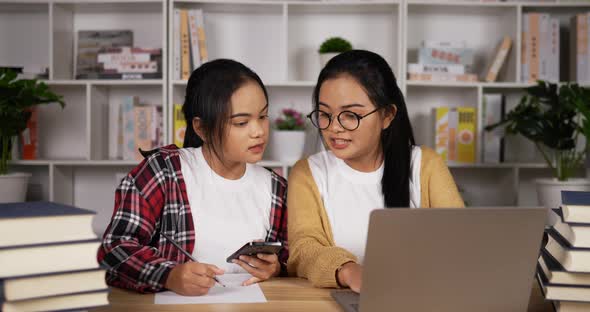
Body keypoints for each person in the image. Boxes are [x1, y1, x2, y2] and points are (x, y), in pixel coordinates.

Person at [97, 59, 288, 295]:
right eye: (241, 122)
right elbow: (114, 249)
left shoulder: (276, 188)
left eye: (263, 116)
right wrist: (168, 275)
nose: (258, 131)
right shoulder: (163, 172)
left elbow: (293, 258)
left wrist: (276, 268)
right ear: (201, 128)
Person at [287, 50, 464, 293]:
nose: (335, 128)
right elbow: (303, 248)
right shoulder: (308, 172)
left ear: (387, 116)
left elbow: (460, 240)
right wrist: (348, 271)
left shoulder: (426, 165)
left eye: (351, 115)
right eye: (325, 114)